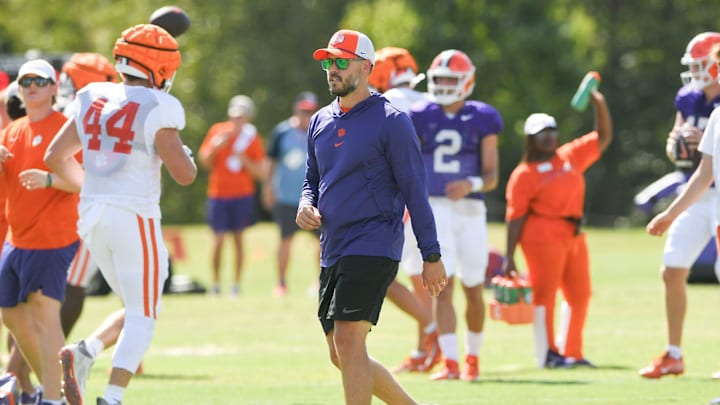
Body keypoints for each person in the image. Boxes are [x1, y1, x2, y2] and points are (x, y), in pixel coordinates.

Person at [45, 24, 197, 405]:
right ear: (161, 67)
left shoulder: (93, 95)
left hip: (93, 216)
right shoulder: (158, 106)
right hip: (134, 215)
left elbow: (53, 157)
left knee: (137, 305)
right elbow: (185, 175)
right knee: (145, 314)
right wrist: (184, 154)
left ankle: (87, 350)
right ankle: (112, 397)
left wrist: (92, 187)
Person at [298, 29, 447, 404]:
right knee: (341, 353)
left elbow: (415, 190)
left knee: (349, 340)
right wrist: (305, 204)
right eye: (328, 62)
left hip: (374, 243)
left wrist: (431, 256)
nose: (332, 69)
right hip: (333, 246)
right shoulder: (319, 121)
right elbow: (311, 180)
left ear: (365, 67)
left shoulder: (391, 120)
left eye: (341, 62)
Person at [408, 49, 501, 382]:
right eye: (441, 79)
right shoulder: (419, 115)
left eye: (452, 79)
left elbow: (492, 175)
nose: (445, 85)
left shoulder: (483, 116)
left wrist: (471, 182)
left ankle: (472, 358)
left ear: (467, 81)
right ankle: (450, 362)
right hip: (434, 209)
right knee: (441, 288)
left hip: (470, 209)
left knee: (474, 287)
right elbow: (408, 164)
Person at [504, 87, 612, 368]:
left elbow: (603, 137)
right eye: (542, 132)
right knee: (544, 296)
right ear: (531, 139)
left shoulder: (569, 156)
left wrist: (598, 102)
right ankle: (548, 354)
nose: (549, 136)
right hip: (541, 235)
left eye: (552, 130)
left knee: (580, 294)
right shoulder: (523, 174)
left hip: (574, 233)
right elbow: (514, 217)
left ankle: (572, 350)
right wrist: (508, 257)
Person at [638, 32, 720, 380]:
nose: (696, 72)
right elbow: (689, 160)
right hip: (698, 190)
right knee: (672, 268)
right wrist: (679, 145)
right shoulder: (689, 99)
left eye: (702, 64)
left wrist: (707, 144)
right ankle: (674, 354)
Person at [0, 59, 81, 405]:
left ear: (53, 88)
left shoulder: (64, 129)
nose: (32, 85)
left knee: (46, 318)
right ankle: (36, 389)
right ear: (19, 90)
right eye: (26, 80)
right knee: (12, 316)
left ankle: (52, 398)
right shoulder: (12, 130)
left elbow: (83, 182)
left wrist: (49, 179)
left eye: (40, 80)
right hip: (16, 239)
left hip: (52, 238)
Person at [368, 47, 441, 374]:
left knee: (387, 273)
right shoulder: (431, 99)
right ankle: (428, 345)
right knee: (422, 277)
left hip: (402, 196)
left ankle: (430, 331)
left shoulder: (390, 102)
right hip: (435, 196)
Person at [198, 94, 266, 296]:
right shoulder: (217, 132)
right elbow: (204, 162)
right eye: (235, 116)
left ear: (248, 118)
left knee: (238, 240)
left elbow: (260, 172)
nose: (238, 120)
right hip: (218, 194)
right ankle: (216, 284)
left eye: (242, 116)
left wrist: (243, 160)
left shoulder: (252, 138)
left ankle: (236, 285)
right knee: (218, 241)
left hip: (242, 195)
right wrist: (216, 147)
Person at [262, 91, 320, 297]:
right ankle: (281, 282)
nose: (307, 115)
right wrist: (268, 186)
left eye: (310, 111)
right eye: (304, 111)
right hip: (287, 197)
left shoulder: (320, 129)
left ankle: (320, 282)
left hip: (315, 198)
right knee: (285, 240)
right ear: (296, 109)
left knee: (322, 241)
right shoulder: (282, 132)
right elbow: (270, 161)